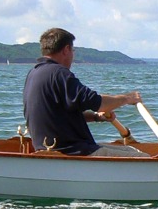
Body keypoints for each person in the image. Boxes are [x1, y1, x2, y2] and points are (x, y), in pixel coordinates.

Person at [23, 28, 148, 157]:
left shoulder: (33, 73)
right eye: (73, 50)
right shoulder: (60, 73)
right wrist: (127, 98)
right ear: (66, 50)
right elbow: (98, 103)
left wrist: (95, 117)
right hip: (71, 151)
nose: (72, 55)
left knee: (132, 151)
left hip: (50, 149)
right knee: (144, 158)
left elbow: (58, 114)